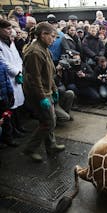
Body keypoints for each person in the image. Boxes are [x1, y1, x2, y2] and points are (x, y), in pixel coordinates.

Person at [23, 22, 65, 162]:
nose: (54, 39)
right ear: (43, 35)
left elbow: (48, 72)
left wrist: (53, 89)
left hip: (46, 90)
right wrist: (42, 97)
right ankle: (30, 149)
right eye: (52, 36)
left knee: (48, 120)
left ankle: (51, 145)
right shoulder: (35, 51)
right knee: (48, 122)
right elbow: (34, 78)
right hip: (37, 93)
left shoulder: (44, 48)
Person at [0, 19, 25, 139]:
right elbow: (3, 62)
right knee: (11, 106)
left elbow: (17, 58)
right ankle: (12, 131)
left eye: (11, 28)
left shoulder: (11, 42)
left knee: (18, 104)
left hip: (17, 76)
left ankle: (19, 126)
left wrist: (20, 71)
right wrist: (16, 72)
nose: (11, 31)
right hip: (8, 78)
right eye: (8, 29)